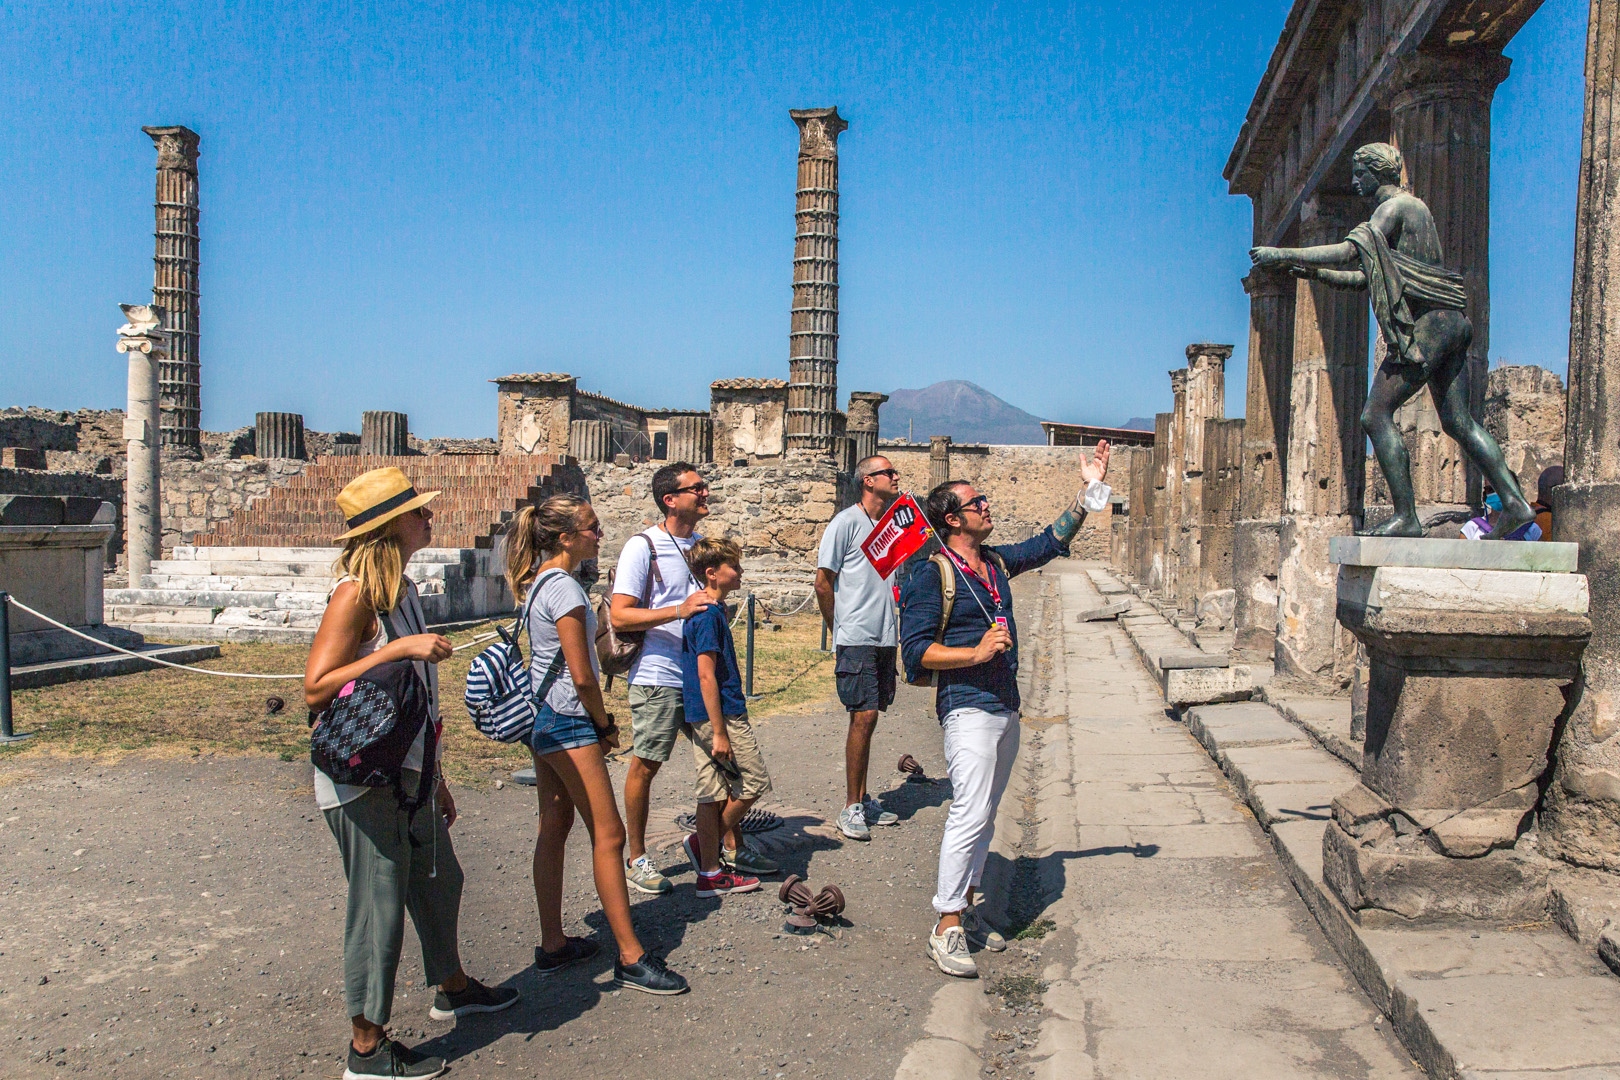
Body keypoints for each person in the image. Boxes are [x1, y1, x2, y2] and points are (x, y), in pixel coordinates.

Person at [304, 466, 518, 1080]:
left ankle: (450, 984)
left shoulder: (403, 590)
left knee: (439, 878)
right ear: (388, 526)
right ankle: (366, 1049)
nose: (430, 518)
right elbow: (315, 687)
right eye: (418, 512)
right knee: (378, 908)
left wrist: (437, 774)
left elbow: (416, 699)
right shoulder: (356, 596)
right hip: (365, 780)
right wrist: (398, 649)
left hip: (410, 772)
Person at [1250, 142, 1535, 541]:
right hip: (1454, 322)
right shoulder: (1417, 213)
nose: (1353, 181)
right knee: (1459, 421)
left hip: (1430, 325)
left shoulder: (1395, 207)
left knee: (1374, 415)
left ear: (1378, 172)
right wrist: (1311, 274)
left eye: (1359, 172)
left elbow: (1350, 251)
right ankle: (1515, 503)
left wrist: (1282, 254)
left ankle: (1406, 516)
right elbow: (1365, 278)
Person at [901, 445, 1111, 979]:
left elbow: (1047, 544)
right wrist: (973, 653)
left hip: (1005, 704)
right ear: (953, 519)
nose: (988, 507)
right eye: (979, 503)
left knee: (989, 811)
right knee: (968, 810)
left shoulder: (993, 563)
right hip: (965, 704)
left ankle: (968, 910)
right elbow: (915, 652)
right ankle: (945, 926)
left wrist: (1087, 493)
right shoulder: (932, 573)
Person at [506, 495, 690, 995]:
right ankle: (630, 956)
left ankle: (552, 943)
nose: (599, 535)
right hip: (569, 719)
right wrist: (604, 723)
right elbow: (583, 674)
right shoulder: (564, 588)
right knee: (608, 836)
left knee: (555, 823)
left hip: (544, 717)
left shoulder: (537, 581)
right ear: (566, 537)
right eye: (591, 528)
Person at [611, 463, 777, 890]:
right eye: (696, 488)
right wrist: (679, 610)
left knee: (722, 767)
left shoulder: (702, 547)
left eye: (705, 486)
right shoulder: (643, 546)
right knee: (646, 764)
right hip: (658, 673)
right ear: (670, 499)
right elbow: (620, 614)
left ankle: (727, 849)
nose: (706, 492)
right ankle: (637, 858)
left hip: (698, 679)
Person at [678, 537, 775, 896]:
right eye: (733, 566)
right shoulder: (708, 617)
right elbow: (706, 675)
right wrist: (720, 731)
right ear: (712, 574)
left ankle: (709, 872)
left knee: (711, 790)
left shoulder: (710, 613)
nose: (740, 571)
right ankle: (706, 845)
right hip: (721, 717)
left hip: (703, 715)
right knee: (753, 781)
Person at [815, 455, 903, 841]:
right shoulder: (845, 523)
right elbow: (822, 582)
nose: (896, 476)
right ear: (869, 481)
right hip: (856, 637)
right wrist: (839, 628)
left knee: (873, 717)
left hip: (884, 636)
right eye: (889, 472)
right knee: (862, 716)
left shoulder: (889, 525)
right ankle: (850, 806)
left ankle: (865, 798)